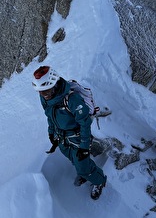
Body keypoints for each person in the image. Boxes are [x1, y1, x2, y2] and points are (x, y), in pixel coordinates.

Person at [32, 66, 107, 200]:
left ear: (54, 84)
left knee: (82, 163)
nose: (44, 95)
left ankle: (99, 181)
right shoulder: (45, 97)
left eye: (46, 90)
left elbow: (85, 123)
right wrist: (51, 133)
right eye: (41, 91)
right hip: (62, 137)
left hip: (78, 137)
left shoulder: (72, 99)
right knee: (73, 158)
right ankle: (84, 171)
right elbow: (50, 115)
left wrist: (84, 147)